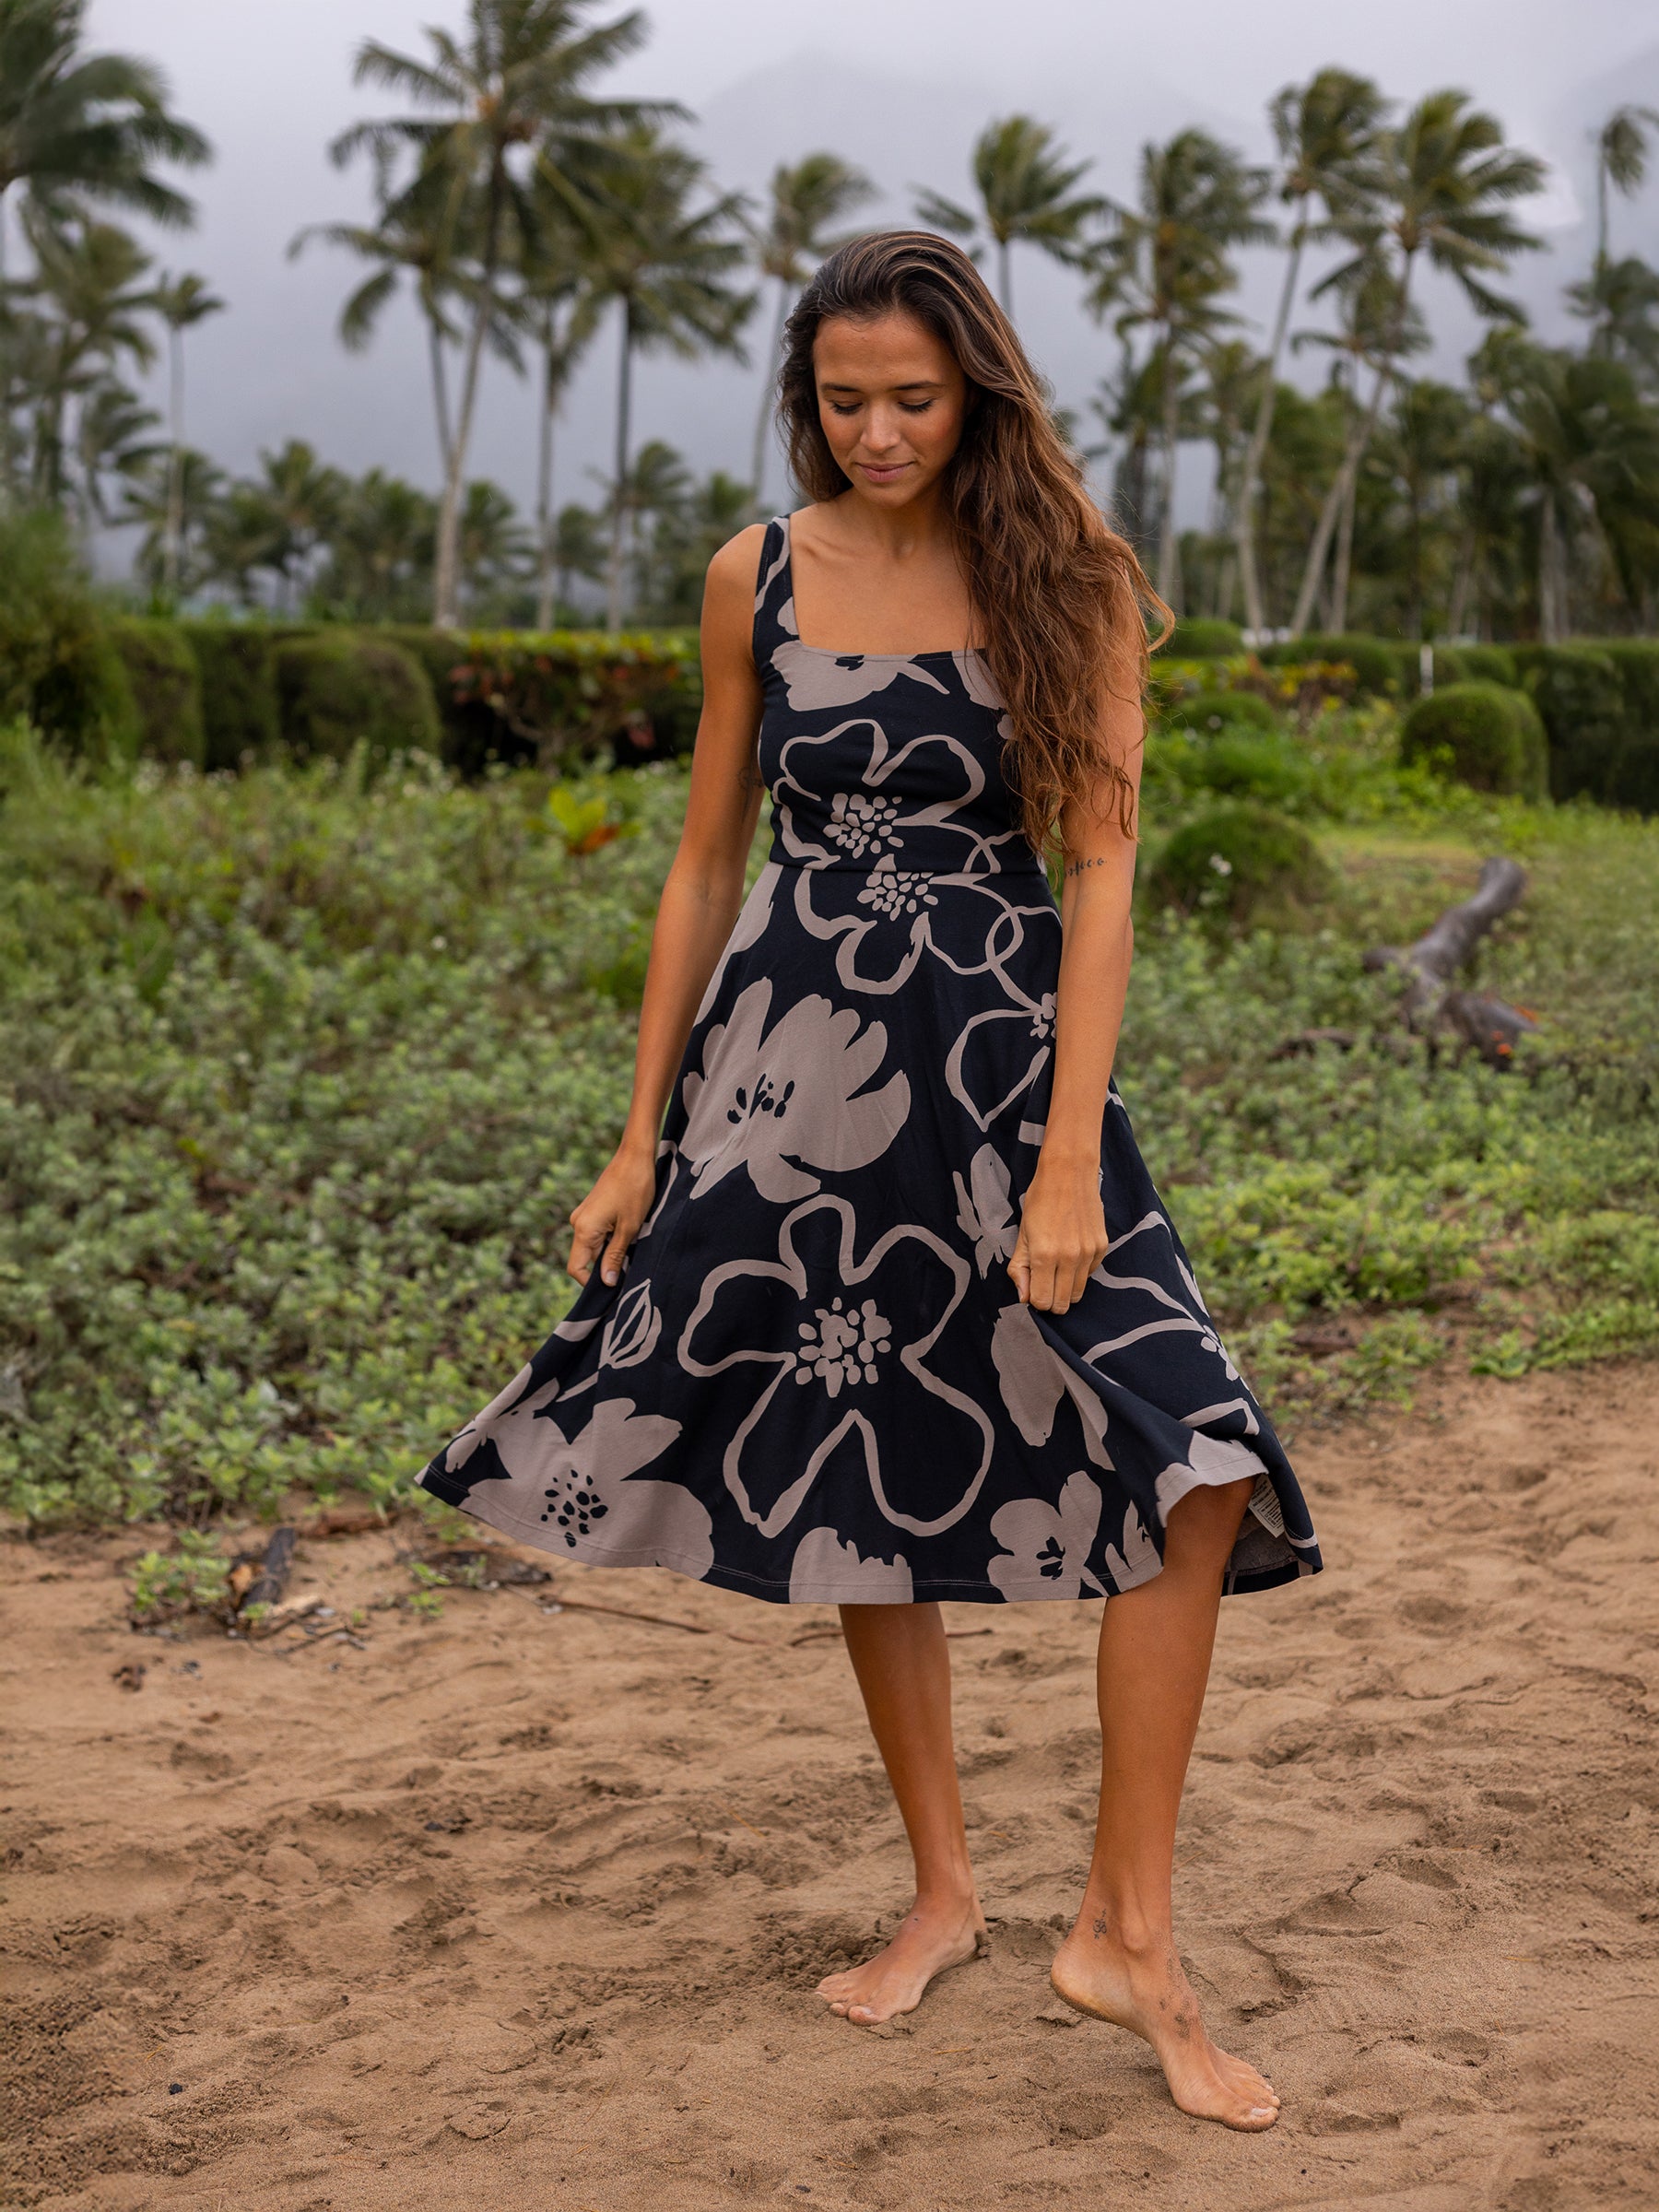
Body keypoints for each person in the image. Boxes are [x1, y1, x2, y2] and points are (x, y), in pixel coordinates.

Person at [418, 230, 1321, 2132]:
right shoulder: (753, 574)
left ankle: (1128, 1931)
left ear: (977, 390)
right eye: (844, 402)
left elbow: (1102, 874)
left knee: (1202, 1458)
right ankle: (944, 1893)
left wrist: (1069, 1155)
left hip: (1003, 1071)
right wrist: (639, 1130)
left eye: (914, 398)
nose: (880, 432)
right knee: (858, 1463)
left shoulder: (1073, 578)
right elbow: (704, 862)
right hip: (795, 1074)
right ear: (805, 398)